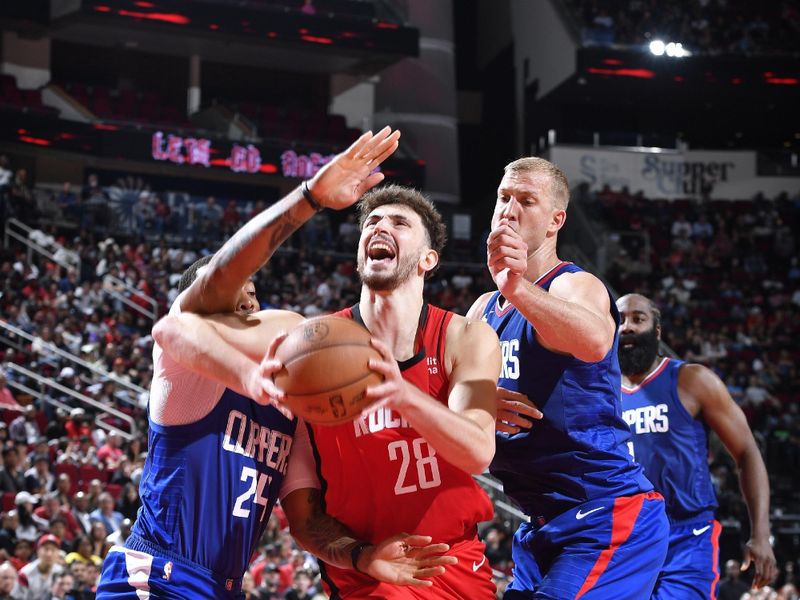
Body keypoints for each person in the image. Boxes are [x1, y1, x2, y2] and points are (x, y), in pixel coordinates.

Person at [98, 128, 451, 599]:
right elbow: (172, 329)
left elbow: (306, 522)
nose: (246, 304)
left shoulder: (292, 403)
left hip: (223, 588)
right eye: (230, 298)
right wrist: (309, 198)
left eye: (253, 297)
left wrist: (363, 556)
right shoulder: (186, 363)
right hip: (158, 577)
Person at [158, 185, 502, 598]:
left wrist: (402, 395)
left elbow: (479, 451)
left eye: (399, 223)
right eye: (371, 222)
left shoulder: (463, 337)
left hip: (452, 562)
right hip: (366, 575)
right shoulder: (308, 344)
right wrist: (361, 556)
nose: (379, 227)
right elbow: (175, 328)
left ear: (429, 259)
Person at [467, 157, 669, 599]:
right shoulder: (483, 310)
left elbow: (597, 340)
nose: (509, 209)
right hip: (539, 524)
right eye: (503, 198)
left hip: (605, 515)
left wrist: (515, 286)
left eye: (526, 200)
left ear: (556, 220)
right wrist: (475, 401)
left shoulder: (576, 286)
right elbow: (450, 396)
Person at [616, 293, 778, 596]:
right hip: (624, 536)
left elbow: (746, 451)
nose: (627, 327)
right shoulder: (599, 390)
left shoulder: (692, 380)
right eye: (620, 320)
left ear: (657, 331)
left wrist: (761, 532)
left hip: (685, 534)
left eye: (638, 319)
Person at [19, 534, 64, 599]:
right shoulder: (25, 573)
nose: (49, 554)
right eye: (46, 549)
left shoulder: (61, 571)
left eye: (53, 550)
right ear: (38, 551)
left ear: (58, 553)